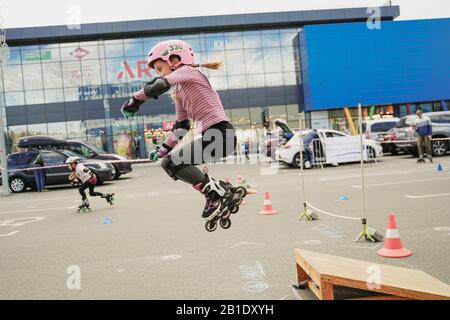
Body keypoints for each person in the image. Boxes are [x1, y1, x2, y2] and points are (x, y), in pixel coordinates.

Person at [120, 39, 245, 223]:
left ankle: (216, 193)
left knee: (174, 162)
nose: (160, 73)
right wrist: (163, 149)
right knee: (169, 164)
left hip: (221, 134)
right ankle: (222, 190)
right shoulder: (179, 91)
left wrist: (134, 101)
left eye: (160, 68)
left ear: (175, 59)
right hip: (214, 137)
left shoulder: (189, 71)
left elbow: (158, 85)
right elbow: (182, 126)